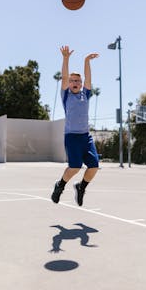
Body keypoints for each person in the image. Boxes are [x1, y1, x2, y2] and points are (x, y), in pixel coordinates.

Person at [51, 45, 99, 206]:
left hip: (86, 137)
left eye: (77, 80)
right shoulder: (66, 95)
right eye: (72, 81)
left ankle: (81, 187)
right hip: (72, 137)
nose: (74, 82)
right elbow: (64, 77)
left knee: (94, 166)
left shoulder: (86, 94)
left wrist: (86, 61)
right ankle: (60, 185)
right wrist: (66, 59)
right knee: (75, 167)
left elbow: (88, 79)